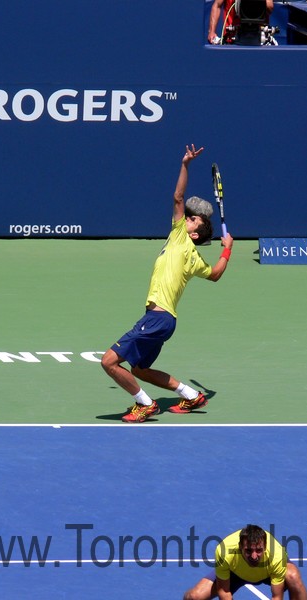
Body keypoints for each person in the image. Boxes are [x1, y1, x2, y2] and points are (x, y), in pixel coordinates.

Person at [101, 144, 233, 423]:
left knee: (109, 362)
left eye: (192, 219)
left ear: (195, 234)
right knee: (139, 369)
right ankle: (191, 395)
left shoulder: (181, 237)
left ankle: (145, 404)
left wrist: (185, 164)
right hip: (164, 320)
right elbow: (216, 273)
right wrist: (227, 249)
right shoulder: (194, 258)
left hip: (158, 318)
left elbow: (177, 196)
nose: (186, 217)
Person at [181, 524, 307, 600]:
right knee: (194, 597)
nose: (254, 556)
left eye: (259, 550)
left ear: (265, 546)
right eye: (248, 551)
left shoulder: (276, 555)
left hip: (267, 573)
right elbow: (224, 592)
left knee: (293, 576)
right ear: (240, 547)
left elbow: (277, 597)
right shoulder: (224, 552)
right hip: (234, 573)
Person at [208, 0, 274, 45]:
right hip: (232, 38)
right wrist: (212, 31)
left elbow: (270, 7)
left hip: (259, 39)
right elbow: (217, 5)